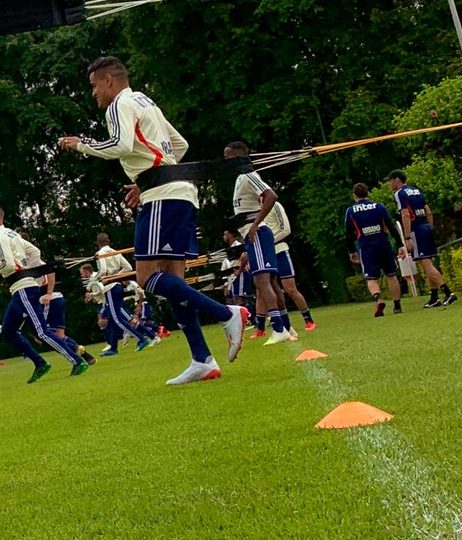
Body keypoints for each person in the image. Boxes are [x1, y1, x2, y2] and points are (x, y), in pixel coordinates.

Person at [60, 57, 248, 386]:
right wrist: (145, 179)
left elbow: (120, 145)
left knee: (147, 277)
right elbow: (180, 145)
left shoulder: (118, 104)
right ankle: (202, 359)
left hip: (162, 198)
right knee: (175, 281)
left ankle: (227, 313)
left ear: (107, 80)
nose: (93, 94)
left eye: (93, 86)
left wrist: (82, 145)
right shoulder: (145, 100)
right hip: (179, 193)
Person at [0, 204, 87, 382]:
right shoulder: (12, 234)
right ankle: (39, 363)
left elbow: (9, 265)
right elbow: (35, 252)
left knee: (42, 331)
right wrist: (33, 272)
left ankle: (77, 360)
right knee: (8, 330)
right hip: (22, 288)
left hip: (23, 288)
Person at [224, 142, 296, 345]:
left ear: (239, 157)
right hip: (250, 234)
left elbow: (271, 195)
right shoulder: (240, 179)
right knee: (270, 282)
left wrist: (255, 224)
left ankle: (278, 328)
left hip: (257, 233)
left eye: (228, 158)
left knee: (261, 282)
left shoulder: (249, 175)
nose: (226, 162)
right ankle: (286, 325)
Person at [386, 170, 458, 308]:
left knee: (426, 264)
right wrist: (429, 228)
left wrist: (407, 238)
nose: (389, 184)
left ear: (396, 180)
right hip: (425, 227)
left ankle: (448, 292)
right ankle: (434, 297)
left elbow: (405, 215)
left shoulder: (400, 194)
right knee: (427, 262)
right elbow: (428, 211)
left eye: (390, 180)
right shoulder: (416, 190)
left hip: (415, 230)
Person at [345, 183, 406, 316]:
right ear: (368, 194)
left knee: (371, 278)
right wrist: (401, 244)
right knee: (391, 275)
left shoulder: (351, 211)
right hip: (383, 244)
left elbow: (349, 233)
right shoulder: (379, 206)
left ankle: (378, 299)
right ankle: (397, 306)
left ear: (354, 195)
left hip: (366, 247)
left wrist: (352, 251)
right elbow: (391, 226)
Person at [94, 233, 152, 354]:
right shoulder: (115, 252)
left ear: (97, 243)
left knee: (117, 319)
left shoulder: (100, 254)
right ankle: (113, 348)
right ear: (108, 241)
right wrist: (117, 275)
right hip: (118, 286)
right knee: (112, 317)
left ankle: (140, 339)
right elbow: (128, 267)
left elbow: (103, 270)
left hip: (110, 288)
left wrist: (96, 279)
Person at [267, 198, 317, 330]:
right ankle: (283, 323)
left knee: (290, 288)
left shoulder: (275, 205)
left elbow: (286, 229)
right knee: (270, 288)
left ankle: (308, 319)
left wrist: (269, 241)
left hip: (280, 250)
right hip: (267, 254)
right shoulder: (255, 209)